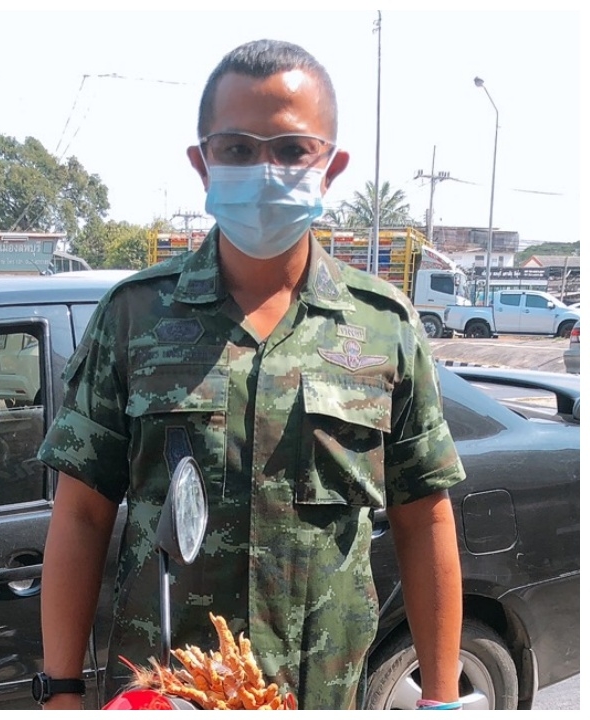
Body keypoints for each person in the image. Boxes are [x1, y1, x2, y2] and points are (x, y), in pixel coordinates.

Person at [34, 40, 465, 711]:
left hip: (318, 694)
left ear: (331, 166)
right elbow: (84, 513)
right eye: (236, 148)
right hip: (169, 696)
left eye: (291, 150)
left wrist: (441, 698)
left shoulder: (383, 326)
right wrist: (61, 690)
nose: (265, 169)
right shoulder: (135, 316)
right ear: (202, 162)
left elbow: (424, 519)